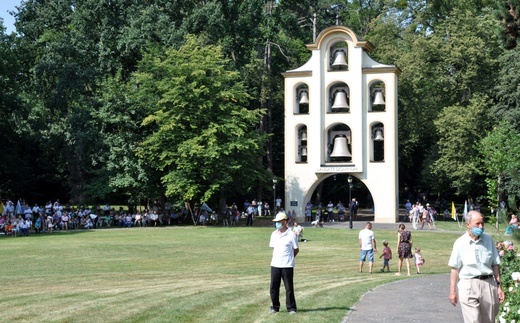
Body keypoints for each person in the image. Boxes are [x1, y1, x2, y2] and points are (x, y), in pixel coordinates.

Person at [448, 210, 505, 323]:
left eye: (482, 223)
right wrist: (452, 291)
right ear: (468, 225)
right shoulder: (460, 243)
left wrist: (499, 286)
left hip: (488, 284)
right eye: (477, 224)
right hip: (468, 284)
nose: (481, 226)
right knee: (473, 320)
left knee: (489, 320)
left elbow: (495, 264)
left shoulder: (488, 240)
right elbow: (455, 269)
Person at [269, 212, 299, 314]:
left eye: (279, 221)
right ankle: (275, 306)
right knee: (273, 287)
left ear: (285, 222)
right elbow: (274, 247)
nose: (277, 223)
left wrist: (290, 258)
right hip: (275, 264)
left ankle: (291, 308)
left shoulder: (291, 235)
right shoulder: (274, 234)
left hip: (287, 265)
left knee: (289, 288)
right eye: (276, 222)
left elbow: (296, 249)